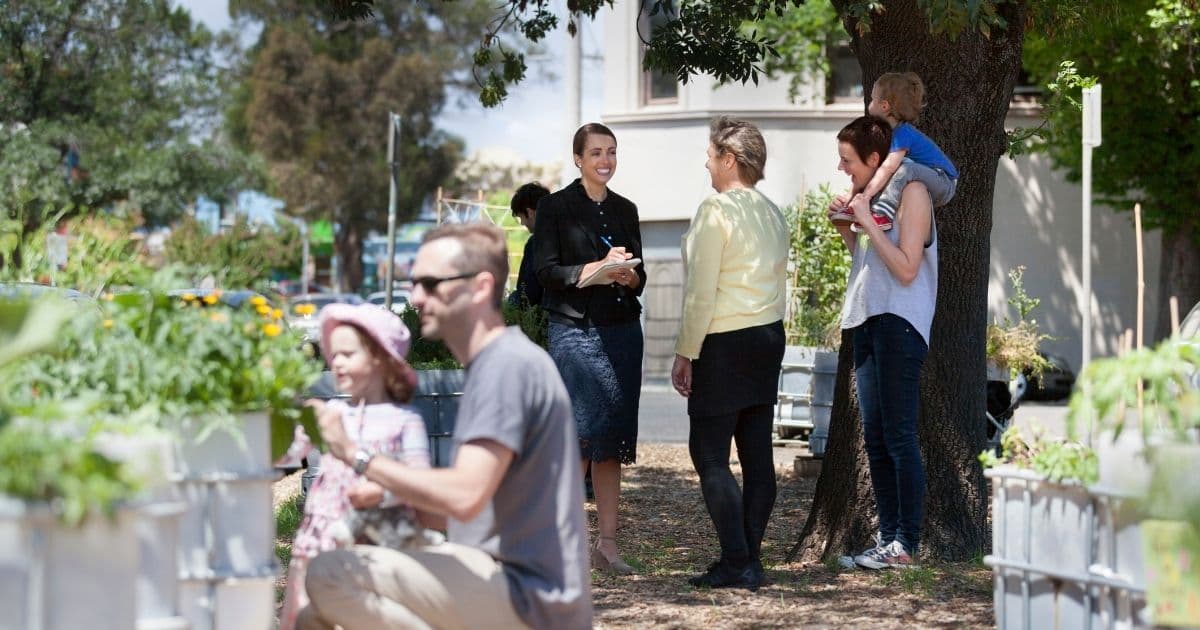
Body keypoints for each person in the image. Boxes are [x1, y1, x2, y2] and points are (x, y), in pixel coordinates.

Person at [297, 223, 592, 630]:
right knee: (313, 618)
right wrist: (380, 502)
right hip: (494, 574)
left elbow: (465, 495)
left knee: (328, 574)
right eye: (415, 283)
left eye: (431, 284)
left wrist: (355, 455)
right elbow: (467, 510)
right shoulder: (494, 364)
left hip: (530, 598)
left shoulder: (506, 366)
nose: (416, 297)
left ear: (481, 287)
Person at [670, 117, 788, 590]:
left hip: (724, 341)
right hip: (767, 338)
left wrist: (685, 352)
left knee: (710, 455)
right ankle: (748, 558)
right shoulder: (772, 211)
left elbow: (701, 293)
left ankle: (738, 561)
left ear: (729, 159)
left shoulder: (714, 212)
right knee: (758, 456)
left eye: (709, 153)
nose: (705, 161)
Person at [533, 122, 646, 574]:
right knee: (577, 440)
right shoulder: (554, 207)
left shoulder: (627, 208)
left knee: (610, 444)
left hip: (622, 333)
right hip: (575, 333)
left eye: (612, 152)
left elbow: (641, 279)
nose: (605, 160)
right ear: (578, 158)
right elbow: (545, 271)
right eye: (597, 152)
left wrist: (628, 274)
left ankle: (608, 546)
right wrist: (592, 270)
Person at [276, 303, 430, 630]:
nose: (337, 362)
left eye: (348, 354)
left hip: (371, 550)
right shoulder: (333, 412)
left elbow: (420, 483)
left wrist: (382, 492)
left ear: (379, 357)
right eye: (334, 355)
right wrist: (289, 414)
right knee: (306, 618)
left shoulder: (405, 420)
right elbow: (284, 456)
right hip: (317, 541)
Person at [833, 115, 938, 570]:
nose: (842, 170)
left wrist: (865, 221)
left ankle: (906, 544)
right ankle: (888, 539)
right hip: (869, 319)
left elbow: (907, 269)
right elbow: (869, 262)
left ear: (875, 159)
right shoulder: (873, 198)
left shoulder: (914, 192)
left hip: (901, 321)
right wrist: (846, 228)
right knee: (875, 437)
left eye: (847, 161)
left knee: (898, 435)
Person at [831, 72, 957, 232]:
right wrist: (850, 197)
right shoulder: (887, 134)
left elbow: (887, 168)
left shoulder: (902, 134)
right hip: (927, 177)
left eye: (872, 99)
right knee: (888, 169)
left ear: (884, 106)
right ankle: (858, 207)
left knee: (902, 169)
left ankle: (881, 213)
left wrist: (866, 196)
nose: (869, 103)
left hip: (944, 181)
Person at [507, 182, 550, 309]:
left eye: (521, 218)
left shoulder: (536, 242)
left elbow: (527, 294)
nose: (522, 223)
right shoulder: (571, 232)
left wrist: (508, 304)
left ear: (530, 212)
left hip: (545, 321)